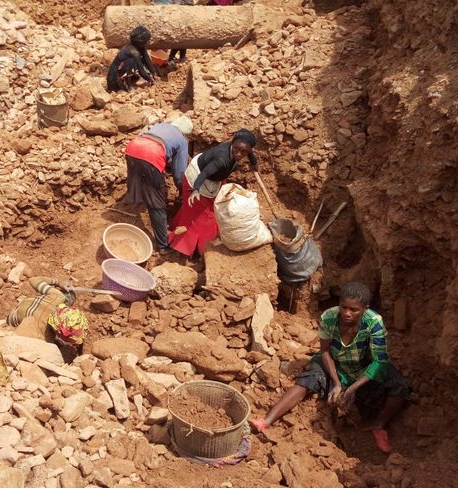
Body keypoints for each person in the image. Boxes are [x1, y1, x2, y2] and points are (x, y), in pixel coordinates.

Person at [249, 282, 411, 454]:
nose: (347, 313)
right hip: (335, 364)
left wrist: (353, 388)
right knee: (308, 380)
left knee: (399, 386)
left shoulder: (374, 322)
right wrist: (337, 383)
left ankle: (379, 425)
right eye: (344, 307)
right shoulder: (329, 317)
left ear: (365, 309)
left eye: (354, 310)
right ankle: (266, 421)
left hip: (364, 369)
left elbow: (380, 362)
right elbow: (325, 351)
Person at [168, 128, 258, 257]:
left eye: (244, 151)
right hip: (199, 179)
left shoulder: (240, 147)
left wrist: (254, 163)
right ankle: (196, 248)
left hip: (213, 177)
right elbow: (204, 173)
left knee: (212, 207)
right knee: (204, 216)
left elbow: (248, 151)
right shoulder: (221, 160)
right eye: (237, 149)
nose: (239, 154)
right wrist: (195, 190)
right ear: (233, 144)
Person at [124, 116, 193, 253]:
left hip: (132, 148)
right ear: (185, 133)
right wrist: (183, 192)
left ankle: (135, 201)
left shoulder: (162, 126)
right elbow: (179, 174)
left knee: (137, 176)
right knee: (156, 204)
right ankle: (163, 245)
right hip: (151, 155)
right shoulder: (182, 140)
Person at [8, 276, 89, 352]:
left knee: (70, 294)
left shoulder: (58, 296)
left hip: (27, 304)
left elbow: (33, 280)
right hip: (11, 319)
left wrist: (57, 282)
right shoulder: (45, 336)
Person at [107, 26, 158, 92]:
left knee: (136, 61)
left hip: (122, 71)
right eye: (147, 41)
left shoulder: (140, 46)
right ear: (141, 42)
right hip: (114, 78)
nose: (148, 42)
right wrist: (151, 80)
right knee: (131, 62)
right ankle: (127, 85)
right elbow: (141, 70)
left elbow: (146, 59)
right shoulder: (133, 52)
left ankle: (131, 79)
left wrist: (153, 72)